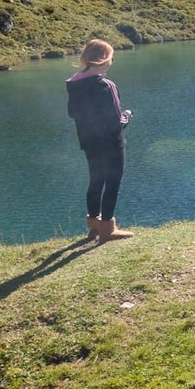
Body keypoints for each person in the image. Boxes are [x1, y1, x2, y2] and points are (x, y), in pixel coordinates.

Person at [66, 39, 134, 243]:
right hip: (111, 143)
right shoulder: (106, 84)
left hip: (89, 142)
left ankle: (94, 227)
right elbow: (115, 120)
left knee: (96, 181)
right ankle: (108, 228)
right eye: (111, 57)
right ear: (103, 60)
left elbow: (72, 113)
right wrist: (127, 117)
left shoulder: (74, 83)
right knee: (113, 182)